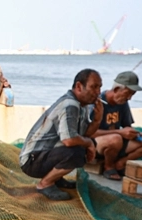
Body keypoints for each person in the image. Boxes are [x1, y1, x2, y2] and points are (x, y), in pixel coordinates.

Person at [19, 69, 102, 200]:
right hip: (32, 160)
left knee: (83, 146)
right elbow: (69, 140)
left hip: (44, 155)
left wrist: (97, 119)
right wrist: (89, 143)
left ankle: (56, 179)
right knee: (77, 152)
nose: (98, 92)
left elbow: (85, 134)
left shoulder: (82, 106)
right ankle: (44, 184)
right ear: (79, 86)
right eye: (94, 87)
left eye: (99, 87)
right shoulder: (70, 104)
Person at [91, 70, 142, 180]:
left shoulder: (122, 102)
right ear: (116, 89)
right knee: (115, 139)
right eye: (128, 93)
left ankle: (121, 163)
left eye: (132, 94)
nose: (129, 98)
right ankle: (108, 167)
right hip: (95, 144)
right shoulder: (97, 103)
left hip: (118, 142)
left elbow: (127, 126)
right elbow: (88, 133)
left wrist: (136, 134)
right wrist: (119, 132)